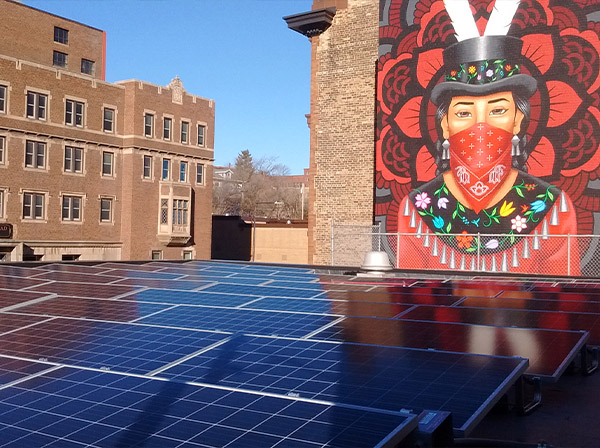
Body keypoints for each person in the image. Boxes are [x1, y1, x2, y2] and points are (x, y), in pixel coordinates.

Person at [396, 8, 579, 275]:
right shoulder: (417, 209)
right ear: (444, 125)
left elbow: (560, 305)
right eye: (463, 113)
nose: (480, 127)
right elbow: (414, 300)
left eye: (498, 110)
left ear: (518, 120)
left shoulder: (551, 206)